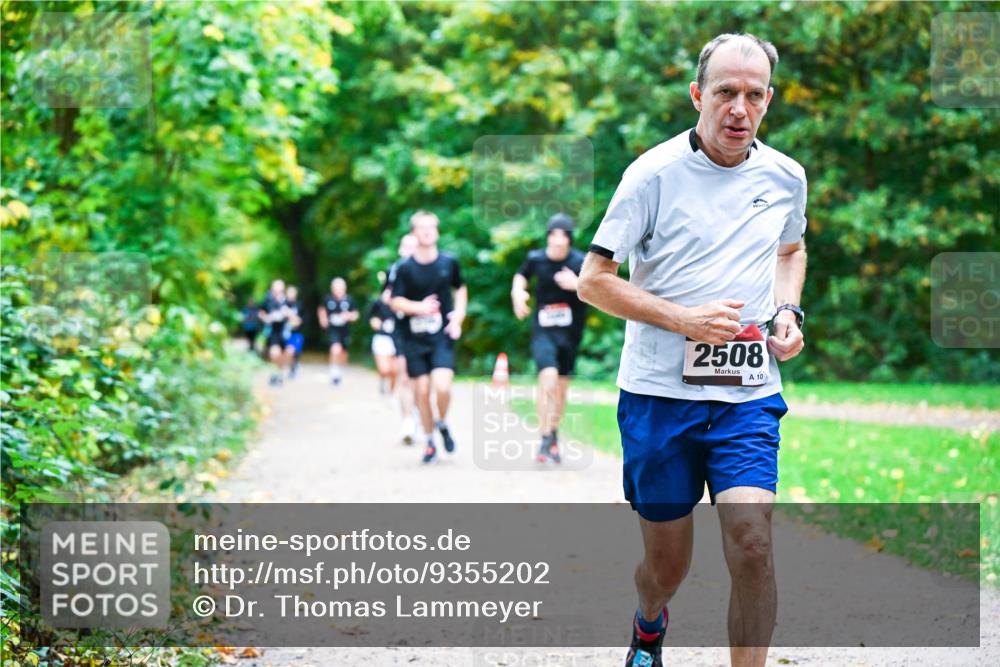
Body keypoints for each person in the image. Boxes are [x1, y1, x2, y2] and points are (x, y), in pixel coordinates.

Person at [576, 33, 807, 667]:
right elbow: (592, 281)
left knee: (752, 544)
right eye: (726, 93)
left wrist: (788, 309)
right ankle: (649, 625)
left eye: (754, 95)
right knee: (666, 565)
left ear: (768, 100)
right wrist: (684, 320)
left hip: (746, 396)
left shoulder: (786, 177)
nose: (739, 108)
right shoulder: (651, 175)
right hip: (658, 397)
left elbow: (791, 251)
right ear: (697, 95)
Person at [389, 211, 467, 464]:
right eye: (421, 228)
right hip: (413, 339)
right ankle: (430, 440)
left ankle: (442, 422)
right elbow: (395, 300)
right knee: (421, 391)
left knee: (443, 386)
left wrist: (458, 316)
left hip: (441, 336)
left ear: (437, 231)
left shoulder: (449, 262)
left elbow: (461, 288)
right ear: (414, 232)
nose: (427, 231)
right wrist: (418, 308)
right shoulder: (403, 268)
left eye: (431, 227)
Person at [511, 213, 588, 464]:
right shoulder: (536, 259)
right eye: (553, 235)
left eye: (563, 235)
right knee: (547, 379)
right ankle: (545, 438)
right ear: (548, 237)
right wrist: (518, 294)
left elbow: (599, 288)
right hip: (543, 330)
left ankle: (552, 434)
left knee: (561, 389)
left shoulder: (580, 261)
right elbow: (520, 276)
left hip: (570, 333)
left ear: (569, 239)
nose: (557, 240)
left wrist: (576, 284)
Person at [384, 234, 419, 444]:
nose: (410, 249)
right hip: (402, 328)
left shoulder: (432, 266)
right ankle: (407, 421)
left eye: (413, 246)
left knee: (423, 380)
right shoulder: (395, 270)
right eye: (406, 246)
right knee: (405, 374)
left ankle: (420, 412)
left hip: (427, 331)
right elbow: (387, 297)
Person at [317, 277, 358, 386]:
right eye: (335, 287)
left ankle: (340, 371)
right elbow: (321, 309)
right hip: (333, 329)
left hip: (344, 329)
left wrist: (348, 316)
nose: (338, 290)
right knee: (335, 349)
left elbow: (355, 314)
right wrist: (323, 319)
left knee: (343, 353)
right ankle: (334, 372)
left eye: (340, 287)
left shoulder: (349, 300)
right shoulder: (328, 299)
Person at [258, 279, 299, 386]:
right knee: (274, 353)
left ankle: (279, 373)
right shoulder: (267, 300)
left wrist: (287, 314)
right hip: (273, 331)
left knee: (285, 354)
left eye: (279, 290)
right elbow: (261, 312)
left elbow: (295, 318)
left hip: (285, 331)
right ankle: (274, 374)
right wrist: (266, 318)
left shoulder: (287, 301)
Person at [368, 294, 399, 395]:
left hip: (397, 339)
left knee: (394, 370)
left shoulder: (402, 302)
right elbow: (369, 315)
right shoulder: (378, 303)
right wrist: (373, 321)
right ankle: (383, 381)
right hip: (382, 338)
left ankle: (391, 393)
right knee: (384, 369)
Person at [285, 285, 305, 379]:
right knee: (289, 350)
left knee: (296, 351)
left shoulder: (300, 305)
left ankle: (295, 365)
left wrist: (296, 320)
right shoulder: (282, 304)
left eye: (293, 292)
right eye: (289, 292)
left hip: (297, 332)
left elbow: (304, 318)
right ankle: (291, 368)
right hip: (286, 332)